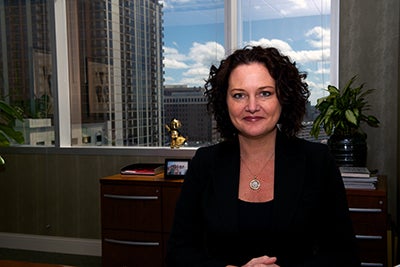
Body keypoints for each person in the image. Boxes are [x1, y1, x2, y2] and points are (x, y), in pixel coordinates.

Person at [166, 46, 360, 267]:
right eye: (239, 95)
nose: (251, 106)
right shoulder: (205, 163)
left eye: (265, 93)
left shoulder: (317, 161)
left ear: (283, 98)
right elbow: (178, 253)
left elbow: (344, 255)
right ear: (225, 102)